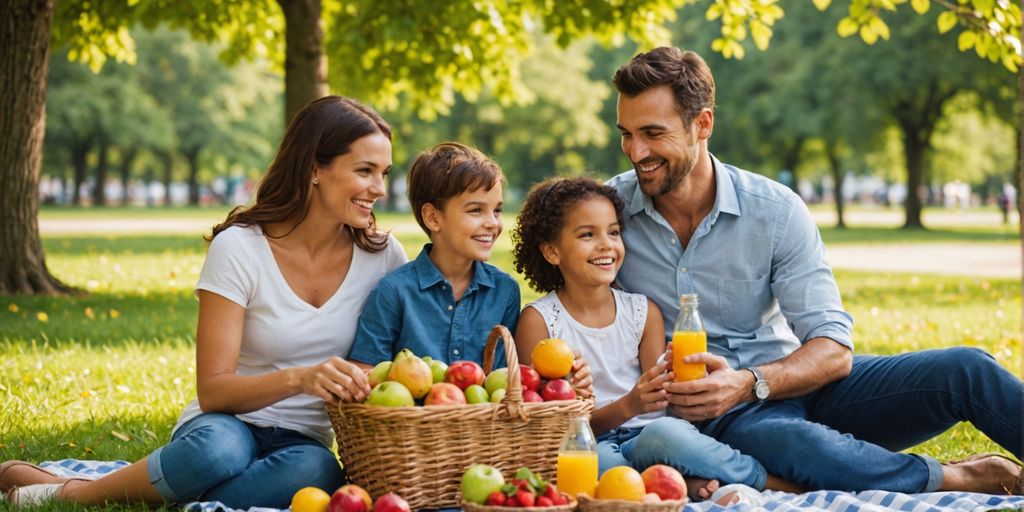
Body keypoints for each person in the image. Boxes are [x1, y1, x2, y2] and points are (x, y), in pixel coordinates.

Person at [606, 46, 1024, 495]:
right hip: (722, 421)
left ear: (702, 124)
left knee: (965, 369)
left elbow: (833, 348)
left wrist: (749, 382)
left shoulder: (774, 211)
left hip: (793, 383)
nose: (636, 150)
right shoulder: (609, 215)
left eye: (652, 132)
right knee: (790, 440)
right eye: (626, 134)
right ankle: (960, 476)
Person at [0, 96, 408, 508]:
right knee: (217, 453)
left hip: (303, 441)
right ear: (314, 169)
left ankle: (150, 488)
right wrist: (301, 379)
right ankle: (76, 495)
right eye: (365, 171)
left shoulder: (385, 257)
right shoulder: (241, 247)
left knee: (318, 474)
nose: (379, 188)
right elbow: (213, 390)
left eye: (384, 173)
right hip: (224, 423)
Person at [511, 176, 800, 500]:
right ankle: (678, 485)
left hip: (648, 434)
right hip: (591, 438)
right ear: (552, 251)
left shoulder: (640, 311)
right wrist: (622, 403)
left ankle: (763, 479)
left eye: (614, 232)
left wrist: (677, 376)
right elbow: (547, 428)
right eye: (587, 235)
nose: (607, 244)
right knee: (597, 463)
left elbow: (661, 406)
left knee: (668, 434)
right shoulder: (539, 322)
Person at [349, 142, 522, 367]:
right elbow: (365, 371)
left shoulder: (505, 291)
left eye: (497, 210)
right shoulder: (394, 292)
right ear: (432, 217)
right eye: (476, 210)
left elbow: (505, 377)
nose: (492, 223)